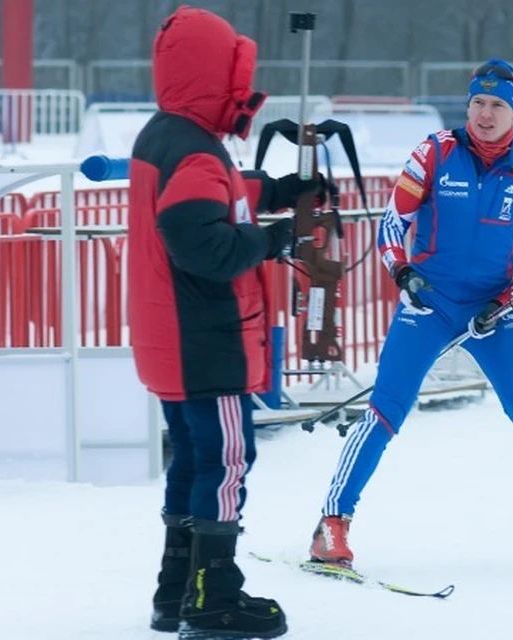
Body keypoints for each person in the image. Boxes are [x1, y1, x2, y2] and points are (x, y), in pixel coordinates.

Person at [308, 59, 513, 571]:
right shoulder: (434, 152)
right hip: (429, 302)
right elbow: (391, 225)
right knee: (385, 411)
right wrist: (403, 275)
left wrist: (507, 300)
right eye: (478, 103)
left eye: (497, 105)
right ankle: (331, 527)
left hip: (494, 307)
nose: (485, 114)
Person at [129, 6, 321, 639]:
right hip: (207, 342)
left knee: (193, 457)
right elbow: (202, 243)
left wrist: (273, 189)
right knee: (228, 461)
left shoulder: (167, 136)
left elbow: (217, 191)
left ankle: (176, 589)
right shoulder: (196, 154)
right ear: (215, 78)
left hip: (172, 341)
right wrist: (273, 241)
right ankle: (215, 598)